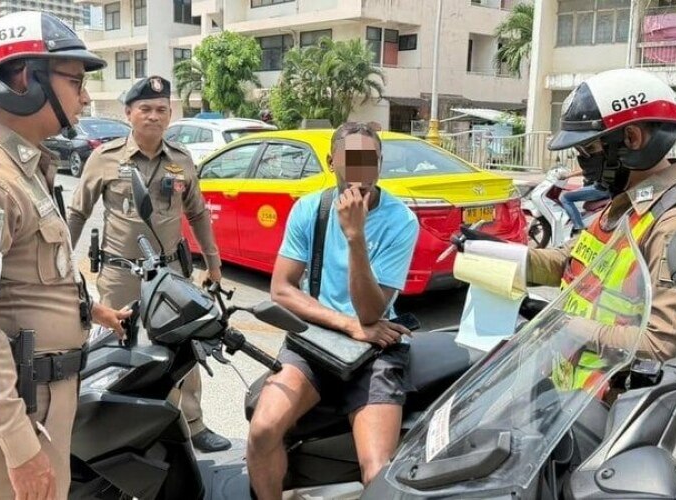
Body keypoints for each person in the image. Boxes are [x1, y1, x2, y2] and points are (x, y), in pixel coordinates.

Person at [0, 11, 131, 500]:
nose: (85, 97)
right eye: (76, 82)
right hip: (17, 417)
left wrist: (90, 311)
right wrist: (20, 448)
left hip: (47, 401)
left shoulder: (28, 168)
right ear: (25, 79)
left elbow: (35, 276)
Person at [247, 122, 420, 499]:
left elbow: (372, 314)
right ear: (331, 162)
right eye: (351, 160)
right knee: (262, 431)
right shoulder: (310, 209)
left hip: (376, 350)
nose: (360, 171)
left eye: (369, 160)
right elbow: (282, 288)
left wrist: (356, 237)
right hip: (317, 342)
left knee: (377, 471)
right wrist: (346, 324)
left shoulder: (400, 220)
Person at [66, 75, 231, 452]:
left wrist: (213, 261)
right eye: (145, 109)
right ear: (129, 113)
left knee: (182, 348)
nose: (153, 116)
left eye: (160, 110)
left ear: (170, 115)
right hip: (121, 273)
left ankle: (193, 422)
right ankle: (124, 428)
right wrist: (63, 264)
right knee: (123, 347)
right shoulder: (105, 158)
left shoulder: (181, 160)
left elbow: (199, 214)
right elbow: (77, 214)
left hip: (171, 273)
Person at [529, 68, 676, 363]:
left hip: (626, 401)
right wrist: (485, 255)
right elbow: (570, 262)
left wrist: (564, 327)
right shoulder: (625, 205)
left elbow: (663, 345)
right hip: (582, 395)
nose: (583, 160)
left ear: (631, 138)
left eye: (589, 148)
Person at [557, 163, 610, 234]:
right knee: (586, 206)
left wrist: (567, 176)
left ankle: (579, 227)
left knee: (565, 197)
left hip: (601, 189)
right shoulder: (607, 158)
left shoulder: (601, 159)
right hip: (602, 187)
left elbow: (586, 171)